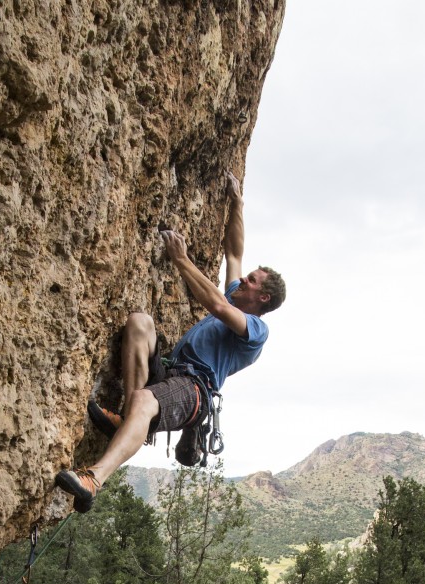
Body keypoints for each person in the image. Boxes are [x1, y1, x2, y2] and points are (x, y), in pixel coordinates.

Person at [56, 172, 286, 512]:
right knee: (139, 323)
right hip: (171, 371)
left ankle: (94, 479)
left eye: (251, 281)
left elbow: (217, 306)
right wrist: (237, 204)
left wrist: (181, 260)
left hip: (196, 388)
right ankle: (125, 417)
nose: (242, 280)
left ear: (263, 298)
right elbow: (234, 252)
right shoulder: (239, 295)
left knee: (147, 402)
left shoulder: (254, 330)